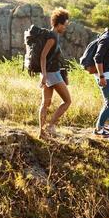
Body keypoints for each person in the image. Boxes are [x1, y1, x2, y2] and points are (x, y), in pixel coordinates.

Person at [38, 7, 72, 139]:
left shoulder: (51, 35)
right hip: (52, 74)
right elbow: (43, 56)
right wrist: (45, 75)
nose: (65, 28)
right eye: (64, 25)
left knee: (45, 103)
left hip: (48, 73)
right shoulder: (52, 37)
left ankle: (42, 133)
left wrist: (44, 74)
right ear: (58, 24)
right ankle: (50, 126)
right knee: (67, 101)